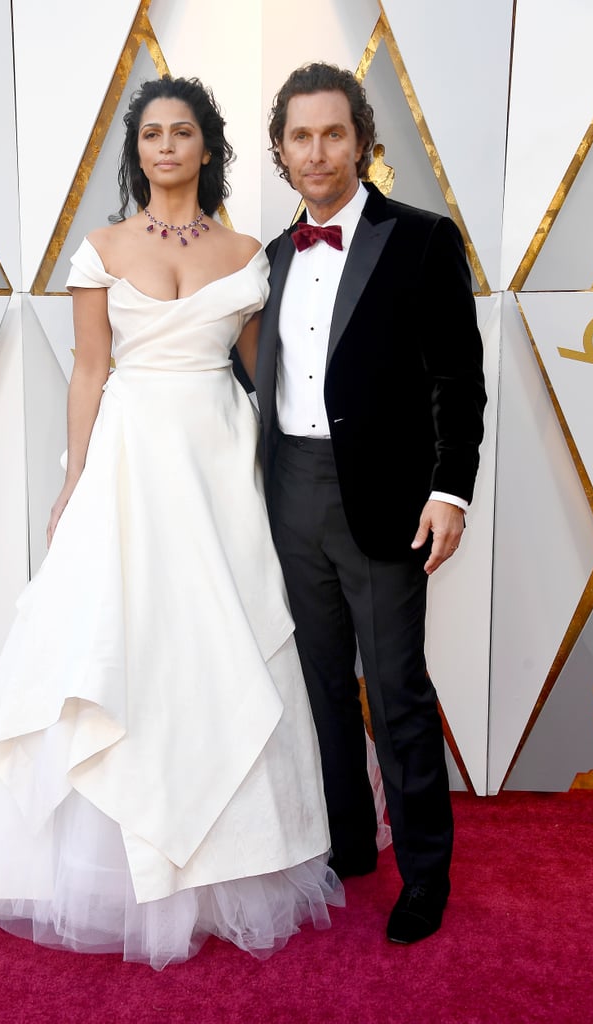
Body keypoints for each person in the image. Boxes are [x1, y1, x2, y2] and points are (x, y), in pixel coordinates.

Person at [0, 75, 343, 969]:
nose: (166, 146)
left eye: (183, 132)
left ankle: (231, 855)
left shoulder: (244, 251)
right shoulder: (102, 247)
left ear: (208, 147)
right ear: (139, 149)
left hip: (217, 463)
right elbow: (88, 370)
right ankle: (111, 863)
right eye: (152, 133)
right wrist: (74, 479)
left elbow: (262, 373)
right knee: (122, 643)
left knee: (217, 643)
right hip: (127, 461)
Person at [254, 63, 487, 944]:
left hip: (388, 503)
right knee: (318, 689)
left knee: (395, 693)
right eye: (300, 136)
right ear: (281, 151)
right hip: (289, 498)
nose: (317, 152)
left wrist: (449, 490)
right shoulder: (272, 257)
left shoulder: (423, 239)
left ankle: (425, 875)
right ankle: (348, 844)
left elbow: (457, 380)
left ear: (363, 141)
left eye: (333, 133)